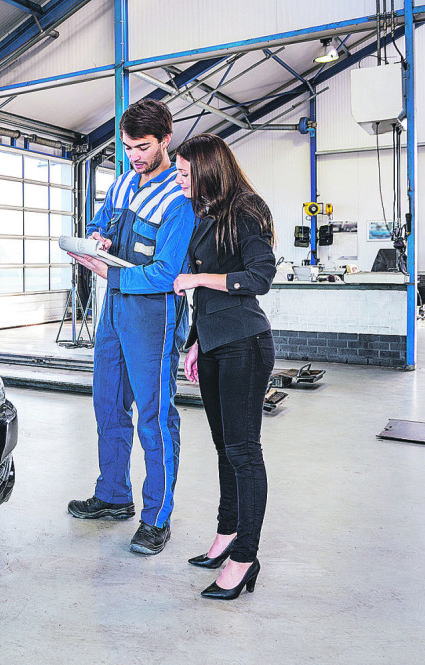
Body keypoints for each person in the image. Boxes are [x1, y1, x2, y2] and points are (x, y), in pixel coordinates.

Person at [67, 99, 197, 556]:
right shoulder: (120, 184)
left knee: (155, 417)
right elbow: (100, 223)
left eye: (142, 147)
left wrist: (107, 273)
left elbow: (165, 273)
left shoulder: (181, 199)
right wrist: (95, 237)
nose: (134, 157)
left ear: (166, 139)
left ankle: (157, 517)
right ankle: (112, 495)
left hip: (154, 316)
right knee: (107, 404)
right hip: (114, 312)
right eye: (126, 148)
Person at [171, 133, 276, 599]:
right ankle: (226, 534)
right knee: (223, 449)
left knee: (243, 452)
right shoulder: (206, 214)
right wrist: (195, 342)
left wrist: (194, 277)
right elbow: (207, 298)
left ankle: (245, 557)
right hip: (214, 344)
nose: (178, 178)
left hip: (244, 345)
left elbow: (260, 277)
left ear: (209, 170)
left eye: (184, 172)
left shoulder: (246, 210)